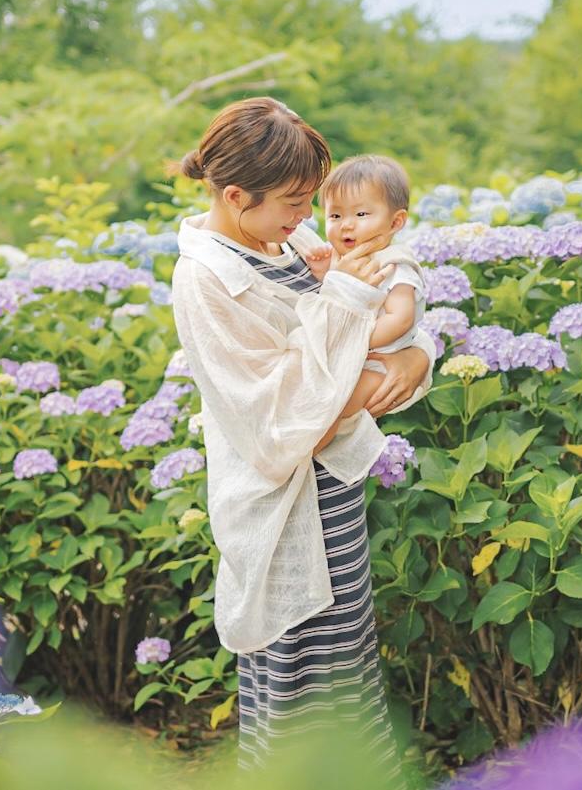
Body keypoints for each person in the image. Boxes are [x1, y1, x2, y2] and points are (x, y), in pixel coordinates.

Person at [169, 97, 434, 780]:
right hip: (283, 511)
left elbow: (384, 318)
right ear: (234, 195)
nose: (307, 216)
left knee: (345, 676)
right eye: (293, 200)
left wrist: (416, 358)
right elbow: (280, 421)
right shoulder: (207, 280)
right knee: (296, 683)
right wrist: (356, 321)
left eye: (309, 198)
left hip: (332, 499)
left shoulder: (284, 241)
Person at [302, 155, 426, 454]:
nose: (346, 226)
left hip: (380, 363)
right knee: (326, 400)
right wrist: (325, 276)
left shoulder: (395, 266)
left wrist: (356, 340)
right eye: (335, 216)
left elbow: (401, 318)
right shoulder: (341, 259)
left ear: (396, 221)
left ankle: (310, 449)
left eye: (360, 215)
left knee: (338, 403)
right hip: (352, 357)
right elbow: (335, 301)